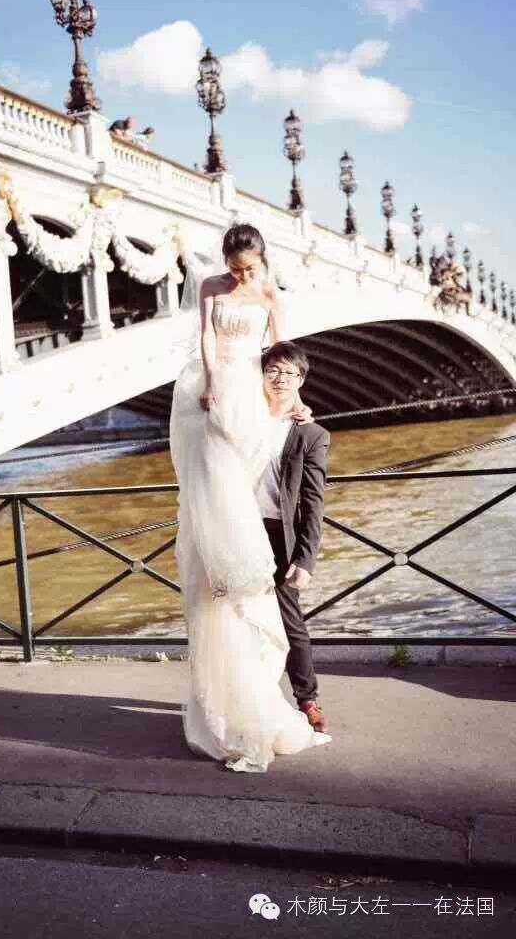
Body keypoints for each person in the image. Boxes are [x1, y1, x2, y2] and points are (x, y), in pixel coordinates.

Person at [170, 223, 332, 772]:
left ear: (263, 261)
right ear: (224, 261)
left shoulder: (270, 293)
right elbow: (206, 339)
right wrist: (212, 383)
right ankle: (222, 554)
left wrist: (295, 402)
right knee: (214, 479)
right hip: (220, 382)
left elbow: (283, 352)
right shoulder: (210, 287)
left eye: (250, 268)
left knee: (271, 591)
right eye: (235, 268)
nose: (241, 276)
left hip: (253, 385)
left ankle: (298, 695)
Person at [258, 342, 330, 733]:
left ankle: (307, 699)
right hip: (236, 527)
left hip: (276, 534)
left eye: (290, 373)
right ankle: (249, 695)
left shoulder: (311, 434)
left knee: (289, 620)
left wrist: (306, 559)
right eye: (273, 370)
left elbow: (313, 501)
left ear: (301, 381)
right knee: (233, 615)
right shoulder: (245, 420)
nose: (281, 378)